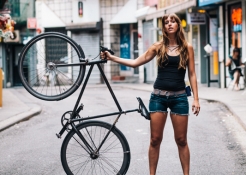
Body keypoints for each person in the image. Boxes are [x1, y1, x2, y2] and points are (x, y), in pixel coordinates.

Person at [100, 13, 200, 175]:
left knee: (181, 140)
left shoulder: (187, 47)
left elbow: (192, 74)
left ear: (178, 25)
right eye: (166, 22)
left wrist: (196, 98)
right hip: (158, 97)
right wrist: (112, 58)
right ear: (163, 27)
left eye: (173, 21)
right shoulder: (157, 46)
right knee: (155, 140)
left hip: (180, 98)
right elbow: (135, 63)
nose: (169, 24)